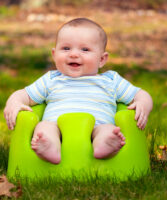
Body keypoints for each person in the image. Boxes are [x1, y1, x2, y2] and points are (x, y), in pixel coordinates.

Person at [4, 18, 153, 164]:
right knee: (44, 127)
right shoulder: (51, 79)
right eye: (66, 48)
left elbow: (140, 94)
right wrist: (15, 102)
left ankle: (107, 145)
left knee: (107, 130)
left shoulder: (111, 80)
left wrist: (142, 104)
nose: (74, 54)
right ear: (54, 54)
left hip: (96, 128)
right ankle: (49, 147)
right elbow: (24, 94)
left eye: (85, 49)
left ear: (102, 59)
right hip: (58, 130)